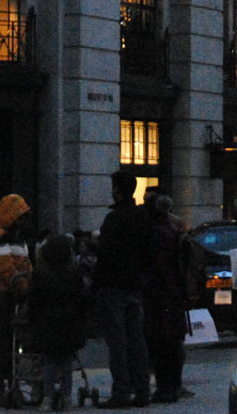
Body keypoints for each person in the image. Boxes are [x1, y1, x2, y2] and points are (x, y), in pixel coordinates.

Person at [95, 171, 153, 409]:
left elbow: (105, 254)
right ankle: (142, 390)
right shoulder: (142, 217)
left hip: (114, 286)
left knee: (117, 342)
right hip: (134, 285)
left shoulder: (114, 219)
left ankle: (121, 391)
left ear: (117, 190)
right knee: (137, 340)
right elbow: (148, 251)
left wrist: (97, 284)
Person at [142, 193, 199, 404]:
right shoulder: (175, 229)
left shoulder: (156, 231)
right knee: (173, 342)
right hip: (174, 293)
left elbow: (153, 264)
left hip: (160, 293)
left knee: (160, 341)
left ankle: (165, 388)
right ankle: (173, 385)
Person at [26, 233, 92, 412]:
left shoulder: (40, 273)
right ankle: (66, 396)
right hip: (69, 321)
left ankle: (47, 397)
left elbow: (34, 299)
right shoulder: (74, 272)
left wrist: (32, 320)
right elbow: (81, 299)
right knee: (66, 362)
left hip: (47, 321)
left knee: (49, 361)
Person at [0, 193, 36, 409]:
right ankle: (3, 388)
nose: (23, 220)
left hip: (10, 293)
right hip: (2, 294)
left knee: (9, 343)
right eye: (20, 216)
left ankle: (9, 386)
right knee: (4, 342)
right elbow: (8, 270)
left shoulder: (13, 235)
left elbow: (22, 265)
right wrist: (26, 286)